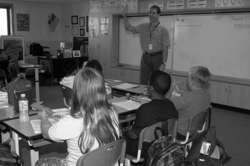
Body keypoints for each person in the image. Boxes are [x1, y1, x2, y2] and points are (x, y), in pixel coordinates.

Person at [38, 68, 121, 166]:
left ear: (77, 92)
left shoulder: (72, 121)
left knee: (42, 161)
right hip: (107, 162)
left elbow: (46, 134)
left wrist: (43, 118)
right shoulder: (112, 112)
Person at [126, 70, 178, 158]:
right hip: (164, 145)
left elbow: (133, 135)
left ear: (151, 88)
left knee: (120, 139)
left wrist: (125, 130)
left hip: (145, 150)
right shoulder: (171, 105)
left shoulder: (145, 109)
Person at [123, 5, 170, 84]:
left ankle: (154, 96)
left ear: (158, 15)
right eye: (150, 12)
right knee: (143, 81)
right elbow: (129, 28)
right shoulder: (143, 26)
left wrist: (164, 63)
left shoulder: (163, 30)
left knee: (156, 82)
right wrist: (124, 16)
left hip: (157, 58)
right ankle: (142, 96)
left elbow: (165, 47)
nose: (151, 15)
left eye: (153, 13)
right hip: (145, 57)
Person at [171, 66, 211, 136]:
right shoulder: (207, 95)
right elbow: (192, 97)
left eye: (188, 77)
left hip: (181, 132)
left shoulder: (187, 98)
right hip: (196, 131)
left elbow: (170, 104)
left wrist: (174, 93)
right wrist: (181, 93)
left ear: (192, 81)